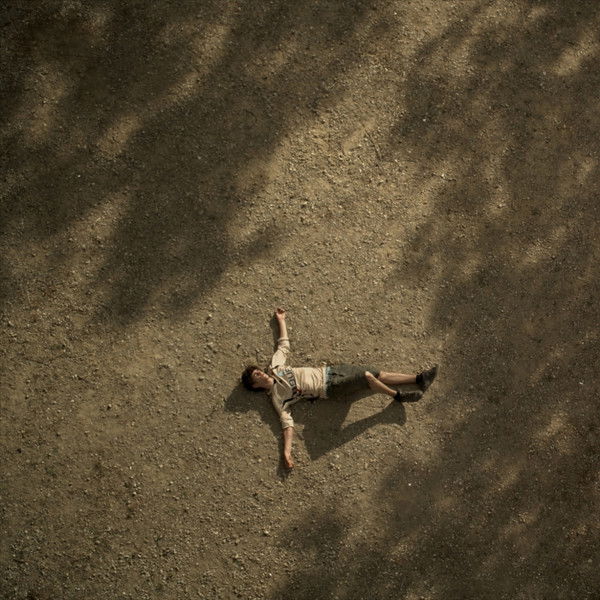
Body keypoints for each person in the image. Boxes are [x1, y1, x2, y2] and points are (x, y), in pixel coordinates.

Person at [241, 308, 438, 469]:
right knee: (367, 377)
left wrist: (281, 320)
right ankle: (397, 395)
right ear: (255, 386)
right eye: (256, 376)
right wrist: (286, 452)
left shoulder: (275, 366)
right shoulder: (277, 398)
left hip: (331, 371)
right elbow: (287, 424)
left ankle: (418, 379)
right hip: (330, 387)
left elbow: (283, 345)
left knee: (377, 373)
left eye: (258, 371)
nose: (261, 373)